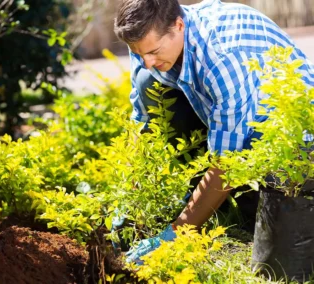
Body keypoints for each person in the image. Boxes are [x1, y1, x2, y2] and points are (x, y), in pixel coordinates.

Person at [113, 0, 314, 263]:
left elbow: (227, 164)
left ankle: (213, 205)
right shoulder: (145, 37)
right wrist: (130, 197)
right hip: (229, 120)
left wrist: (177, 234)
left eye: (153, 52)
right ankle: (198, 196)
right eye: (139, 54)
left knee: (266, 213)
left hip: (287, 137)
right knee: (147, 81)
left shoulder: (222, 56)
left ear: (178, 25)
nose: (146, 61)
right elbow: (142, 122)